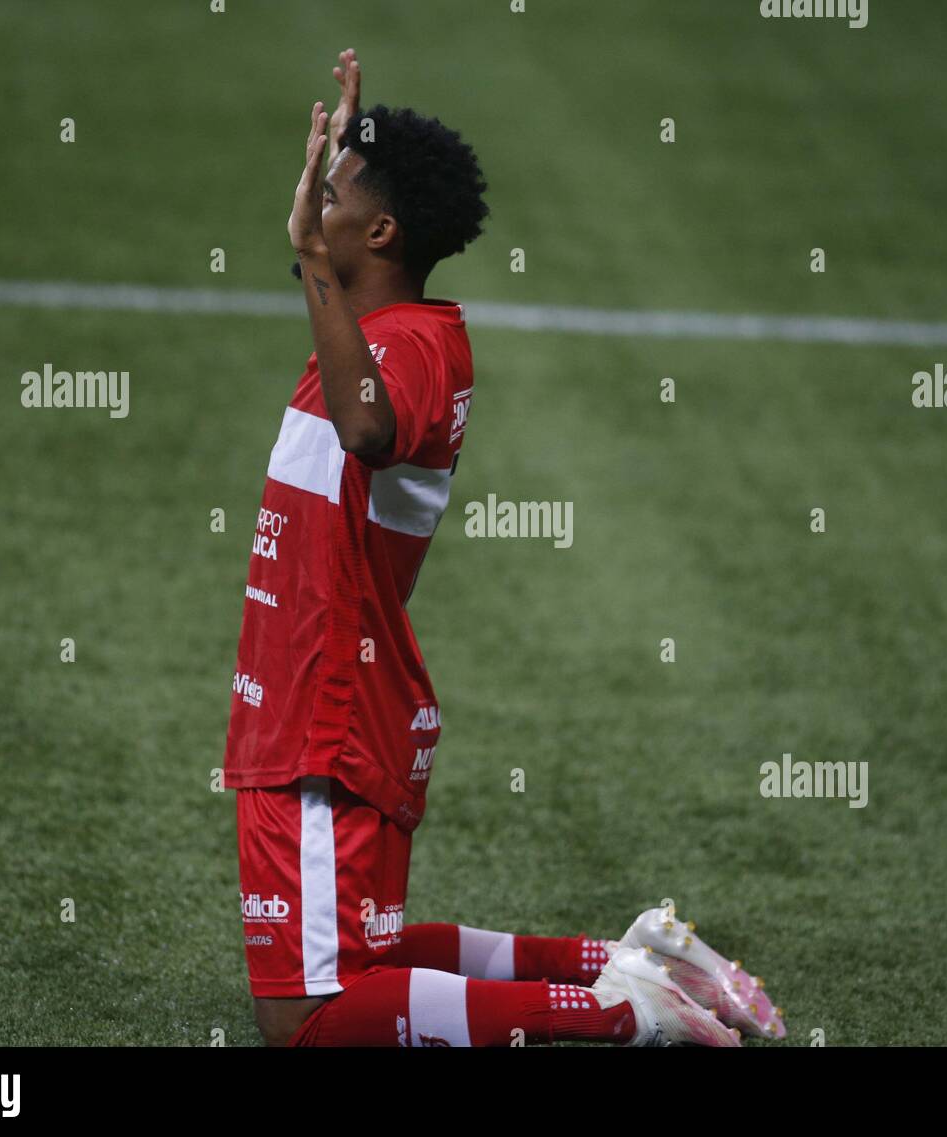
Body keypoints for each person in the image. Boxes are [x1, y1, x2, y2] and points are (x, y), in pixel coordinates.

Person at [225, 49, 786, 1047]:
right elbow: (340, 328)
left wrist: (315, 253)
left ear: (381, 232)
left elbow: (367, 429)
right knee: (372, 962)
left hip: (326, 715)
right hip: (324, 706)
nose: (316, 199)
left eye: (337, 192)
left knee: (307, 1021)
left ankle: (617, 1014)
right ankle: (620, 961)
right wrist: (323, 215)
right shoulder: (379, 333)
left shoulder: (415, 348)